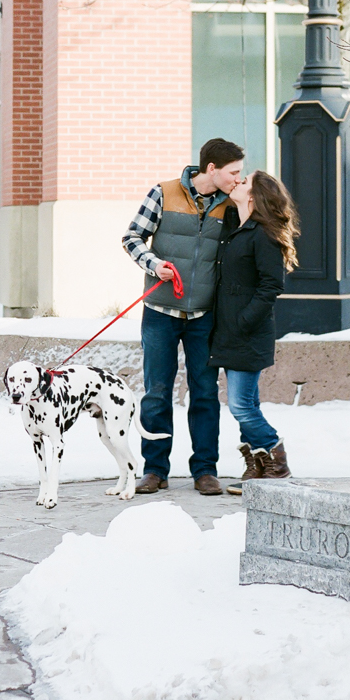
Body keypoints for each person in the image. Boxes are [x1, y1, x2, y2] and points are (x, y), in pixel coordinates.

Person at [122, 138, 245, 496]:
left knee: (205, 393)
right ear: (212, 169)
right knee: (157, 393)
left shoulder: (230, 205)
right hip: (160, 311)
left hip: (204, 316)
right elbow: (132, 237)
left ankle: (205, 470)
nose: (239, 178)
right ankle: (155, 469)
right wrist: (154, 264)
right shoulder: (164, 192)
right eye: (234, 172)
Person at [209, 169, 299, 493]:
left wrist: (245, 320)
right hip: (231, 332)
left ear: (254, 196)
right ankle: (257, 466)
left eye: (244, 181)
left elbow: (272, 285)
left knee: (241, 406)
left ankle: (277, 458)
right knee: (248, 404)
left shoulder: (263, 235)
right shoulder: (239, 229)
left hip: (249, 333)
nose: (238, 181)